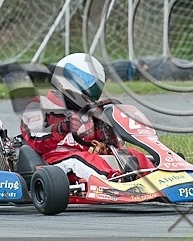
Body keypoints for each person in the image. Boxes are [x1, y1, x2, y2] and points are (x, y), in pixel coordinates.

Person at [20, 53, 155, 181]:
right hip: (54, 162)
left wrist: (109, 133)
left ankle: (158, 176)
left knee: (129, 153)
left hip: (88, 156)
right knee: (79, 159)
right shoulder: (39, 105)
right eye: (85, 82)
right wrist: (62, 127)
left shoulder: (89, 111)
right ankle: (116, 180)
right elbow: (35, 139)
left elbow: (100, 140)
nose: (90, 88)